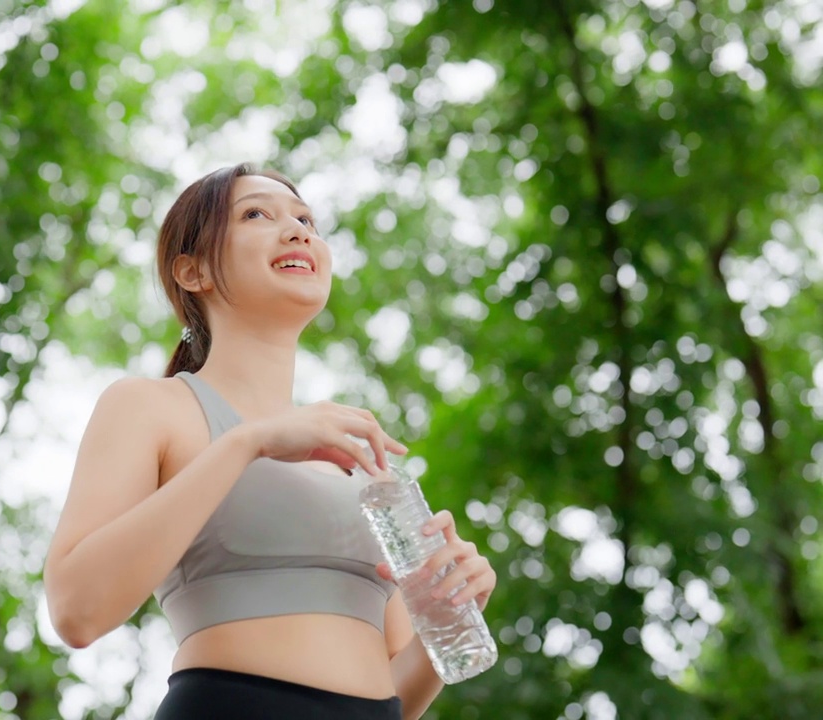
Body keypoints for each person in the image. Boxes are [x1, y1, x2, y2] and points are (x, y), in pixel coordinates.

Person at [43, 163, 497, 719]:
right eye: (257, 213)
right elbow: (76, 611)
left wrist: (450, 618)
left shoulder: (362, 465)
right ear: (193, 271)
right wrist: (247, 443)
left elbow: (397, 698)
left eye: (307, 219)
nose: (299, 230)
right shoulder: (151, 407)